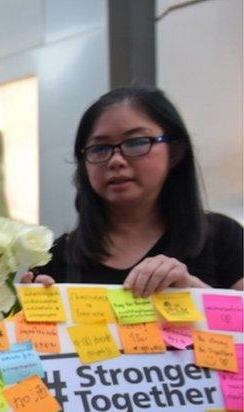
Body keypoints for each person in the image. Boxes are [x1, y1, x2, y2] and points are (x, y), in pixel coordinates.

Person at [27, 87, 243, 294]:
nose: (116, 160)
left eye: (137, 143)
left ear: (175, 152)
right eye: (100, 148)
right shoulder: (56, 257)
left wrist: (195, 292)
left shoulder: (223, 238)